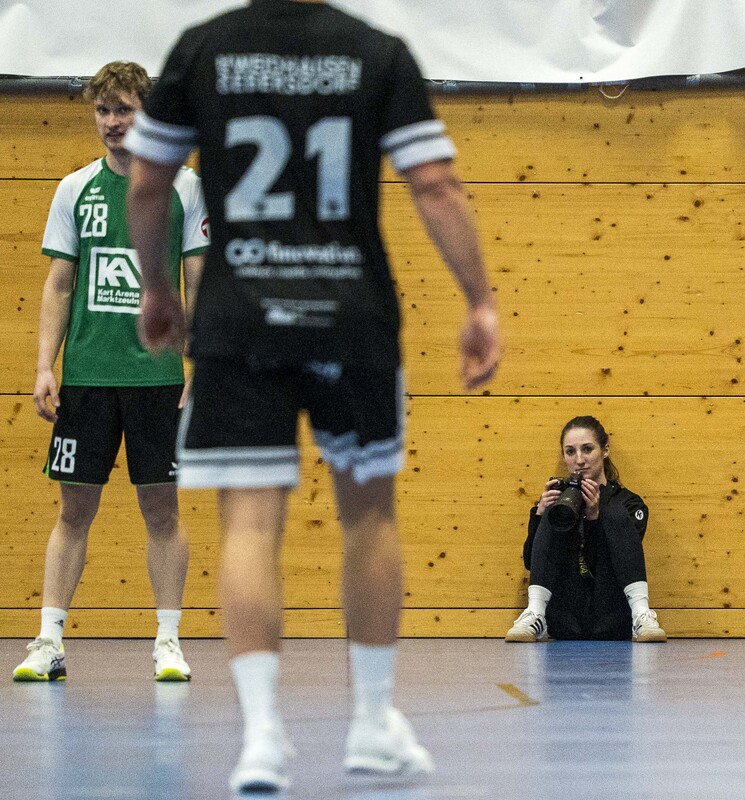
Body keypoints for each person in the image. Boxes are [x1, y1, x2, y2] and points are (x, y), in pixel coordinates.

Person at [124, 0, 500, 791]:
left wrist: (157, 290)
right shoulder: (377, 51)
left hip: (239, 318)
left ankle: (262, 738)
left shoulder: (202, 49)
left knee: (248, 524)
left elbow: (149, 183)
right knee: (369, 516)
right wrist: (479, 300)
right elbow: (435, 183)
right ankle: (372, 724)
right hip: (350, 315)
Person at [12, 62, 208, 684]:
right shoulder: (75, 189)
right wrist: (45, 365)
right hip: (87, 378)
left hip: (159, 381)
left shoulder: (186, 187)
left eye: (124, 109)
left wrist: (200, 364)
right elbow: (59, 283)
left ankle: (168, 642)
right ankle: (48, 642)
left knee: (162, 512)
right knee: (73, 511)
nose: (113, 122)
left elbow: (199, 280)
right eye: (103, 111)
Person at [505, 416, 667, 644]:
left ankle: (642, 615)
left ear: (605, 450)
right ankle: (535, 614)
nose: (579, 460)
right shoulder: (557, 502)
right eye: (570, 452)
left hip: (611, 617)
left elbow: (621, 561)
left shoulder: (630, 503)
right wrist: (539, 515)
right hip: (565, 620)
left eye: (587, 449)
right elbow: (531, 563)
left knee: (615, 512)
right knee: (553, 513)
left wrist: (594, 518)